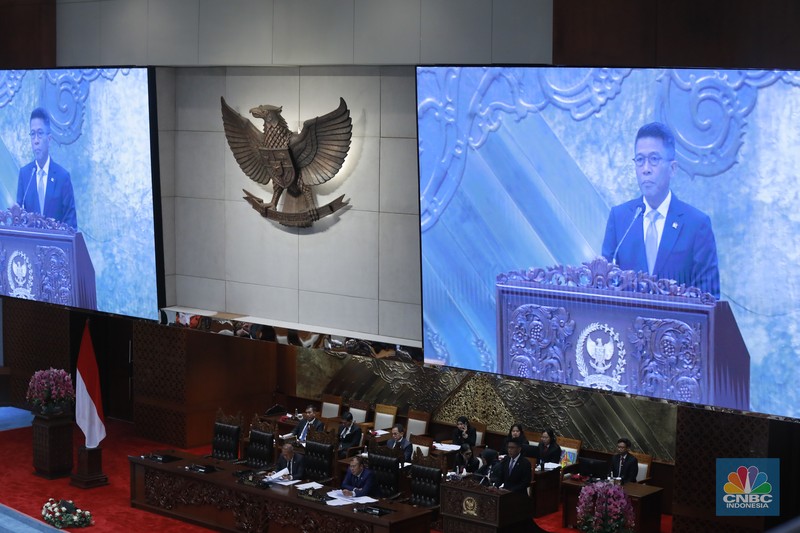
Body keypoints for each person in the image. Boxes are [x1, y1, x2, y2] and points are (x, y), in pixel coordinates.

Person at [601, 122, 719, 298]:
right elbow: (603, 285)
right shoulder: (620, 219)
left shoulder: (696, 225)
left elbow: (710, 299)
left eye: (654, 159)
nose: (646, 169)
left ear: (672, 168)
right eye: (640, 160)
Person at [16, 107, 77, 228]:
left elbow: (71, 226)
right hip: (30, 245)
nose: (36, 141)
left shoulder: (62, 177)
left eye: (40, 133)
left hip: (56, 246)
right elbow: (18, 218)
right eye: (32, 134)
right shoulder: (25, 175)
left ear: (49, 139)